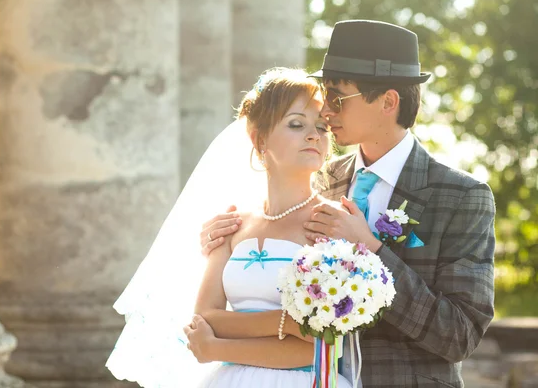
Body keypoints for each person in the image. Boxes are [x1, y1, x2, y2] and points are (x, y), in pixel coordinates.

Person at [200, 20, 496, 388]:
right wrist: (224, 239)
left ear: (388, 102)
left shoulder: (461, 197)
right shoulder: (321, 179)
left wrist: (372, 250)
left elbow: (459, 336)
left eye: (337, 98)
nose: (326, 113)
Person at [106, 67, 353, 387]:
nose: (313, 135)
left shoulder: (331, 223)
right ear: (258, 138)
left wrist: (219, 347)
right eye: (296, 124)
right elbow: (205, 318)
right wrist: (288, 325)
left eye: (321, 127)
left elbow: (320, 347)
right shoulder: (233, 224)